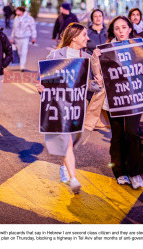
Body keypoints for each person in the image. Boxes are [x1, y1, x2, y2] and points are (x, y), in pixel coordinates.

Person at [36, 23, 103, 194]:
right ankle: (73, 178)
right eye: (84, 35)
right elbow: (43, 78)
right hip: (58, 106)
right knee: (68, 142)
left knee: (72, 140)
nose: (87, 38)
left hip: (76, 107)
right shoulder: (56, 55)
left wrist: (98, 85)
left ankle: (64, 167)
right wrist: (41, 86)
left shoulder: (86, 57)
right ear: (74, 37)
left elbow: (87, 85)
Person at [90, 16, 143, 189]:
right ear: (113, 31)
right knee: (117, 137)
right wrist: (95, 58)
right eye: (117, 28)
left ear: (130, 29)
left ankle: (135, 172)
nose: (121, 31)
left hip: (134, 99)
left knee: (131, 133)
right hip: (114, 100)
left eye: (124, 27)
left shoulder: (137, 47)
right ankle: (120, 172)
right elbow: (97, 73)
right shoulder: (106, 49)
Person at [10, 6, 37, 72]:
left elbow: (33, 28)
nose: (16, 12)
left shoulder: (29, 19)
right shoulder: (16, 19)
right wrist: (12, 37)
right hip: (17, 38)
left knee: (24, 52)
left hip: (25, 38)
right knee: (19, 52)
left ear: (21, 11)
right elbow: (14, 29)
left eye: (17, 11)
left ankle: (22, 66)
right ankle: (21, 63)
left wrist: (34, 37)